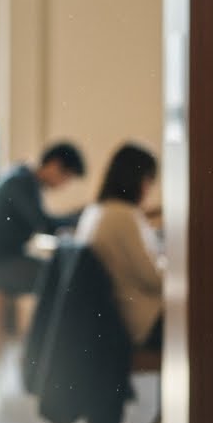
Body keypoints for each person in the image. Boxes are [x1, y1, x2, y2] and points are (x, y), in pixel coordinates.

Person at [73, 142, 164, 350]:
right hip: (140, 323)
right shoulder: (125, 216)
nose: (149, 189)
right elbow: (154, 280)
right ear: (139, 180)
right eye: (150, 180)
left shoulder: (95, 211)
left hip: (113, 319)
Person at [0, 142, 86, 298]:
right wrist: (78, 218)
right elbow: (44, 224)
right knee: (59, 274)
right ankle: (50, 323)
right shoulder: (21, 182)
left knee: (57, 271)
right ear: (54, 165)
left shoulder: (23, 179)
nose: (64, 185)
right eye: (66, 177)